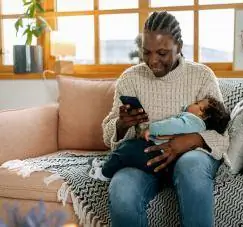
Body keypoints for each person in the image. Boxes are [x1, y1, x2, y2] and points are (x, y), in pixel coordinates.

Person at [102, 11, 230, 227]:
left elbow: (223, 134)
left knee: (191, 167)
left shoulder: (202, 76)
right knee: (122, 192)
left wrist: (190, 140)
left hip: (191, 157)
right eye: (146, 52)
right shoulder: (130, 79)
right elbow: (109, 139)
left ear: (179, 46)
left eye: (162, 53)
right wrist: (122, 125)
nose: (153, 61)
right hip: (145, 160)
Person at [90, 96, 230, 181]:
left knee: (128, 149)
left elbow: (173, 124)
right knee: (128, 151)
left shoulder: (193, 121)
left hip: (158, 154)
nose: (193, 103)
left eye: (197, 103)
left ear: (202, 114)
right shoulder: (196, 125)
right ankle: (108, 163)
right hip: (164, 159)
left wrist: (152, 128)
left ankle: (104, 173)